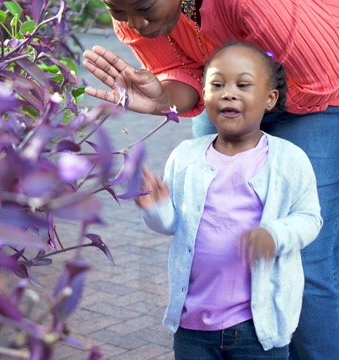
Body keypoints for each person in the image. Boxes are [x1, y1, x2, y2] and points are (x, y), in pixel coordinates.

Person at [83, 1, 339, 358]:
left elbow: (324, 76)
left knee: (301, 250)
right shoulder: (135, 10)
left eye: (143, 7)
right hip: (236, 84)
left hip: (330, 84)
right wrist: (166, 96)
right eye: (118, 11)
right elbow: (185, 73)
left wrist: (254, 113)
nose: (134, 23)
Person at [134, 41, 323, 359]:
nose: (228, 93)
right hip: (193, 325)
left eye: (243, 84)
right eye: (217, 84)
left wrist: (275, 235)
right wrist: (156, 208)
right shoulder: (186, 157)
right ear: (204, 94)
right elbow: (172, 224)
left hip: (257, 328)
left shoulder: (289, 160)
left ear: (269, 98)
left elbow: (310, 218)